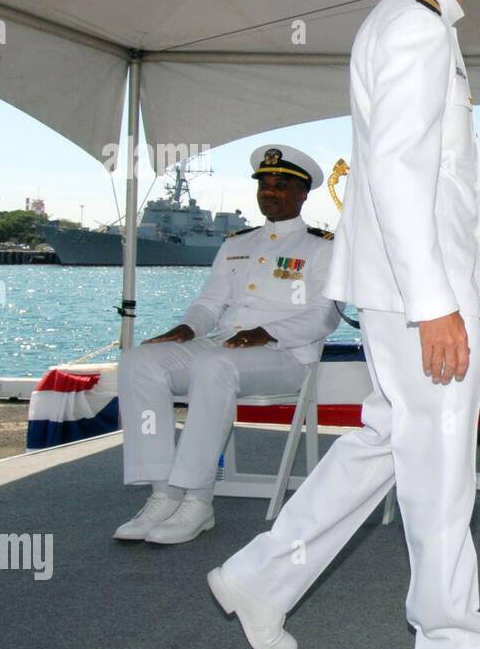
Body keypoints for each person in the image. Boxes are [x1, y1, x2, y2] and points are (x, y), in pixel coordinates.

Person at [210, 0, 480, 649]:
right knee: (439, 461)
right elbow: (401, 176)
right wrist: (436, 303)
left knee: (385, 439)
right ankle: (452, 645)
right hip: (419, 291)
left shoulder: (408, 18)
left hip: (404, 286)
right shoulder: (417, 29)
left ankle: (262, 575)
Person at [115, 145, 337, 545]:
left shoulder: (323, 246)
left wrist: (268, 333)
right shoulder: (236, 244)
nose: (270, 191)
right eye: (265, 184)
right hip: (223, 347)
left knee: (213, 366)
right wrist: (187, 326)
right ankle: (163, 493)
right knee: (139, 361)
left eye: (281, 184)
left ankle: (198, 501)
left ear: (303, 193)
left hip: (285, 356)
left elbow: (326, 315)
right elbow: (209, 304)